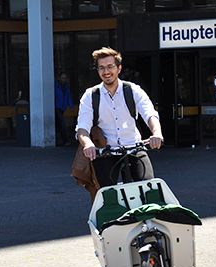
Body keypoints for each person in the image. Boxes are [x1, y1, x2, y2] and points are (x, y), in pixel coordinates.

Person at [75, 47, 163, 187]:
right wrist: (88, 144)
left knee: (148, 187)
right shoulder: (90, 95)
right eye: (101, 68)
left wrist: (156, 133)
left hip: (134, 147)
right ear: (97, 71)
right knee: (107, 194)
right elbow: (82, 128)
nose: (106, 72)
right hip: (106, 151)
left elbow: (149, 114)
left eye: (110, 67)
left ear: (119, 68)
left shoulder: (132, 90)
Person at [55, 72, 74, 146]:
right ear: (59, 78)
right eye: (62, 78)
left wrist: (71, 106)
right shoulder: (56, 86)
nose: (64, 79)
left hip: (63, 107)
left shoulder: (66, 86)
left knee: (59, 124)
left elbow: (68, 96)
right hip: (57, 107)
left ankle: (60, 140)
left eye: (65, 78)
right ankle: (65, 140)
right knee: (62, 123)